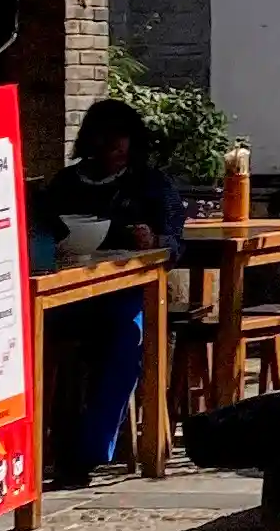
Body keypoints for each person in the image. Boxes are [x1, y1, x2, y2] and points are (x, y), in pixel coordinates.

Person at [38, 95, 181, 483]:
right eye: (104, 138)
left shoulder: (151, 184)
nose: (113, 148)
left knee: (125, 339)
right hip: (68, 293)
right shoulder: (67, 183)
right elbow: (44, 231)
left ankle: (85, 453)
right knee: (36, 338)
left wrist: (154, 239)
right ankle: (34, 446)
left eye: (121, 138)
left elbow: (175, 245)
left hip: (128, 293)